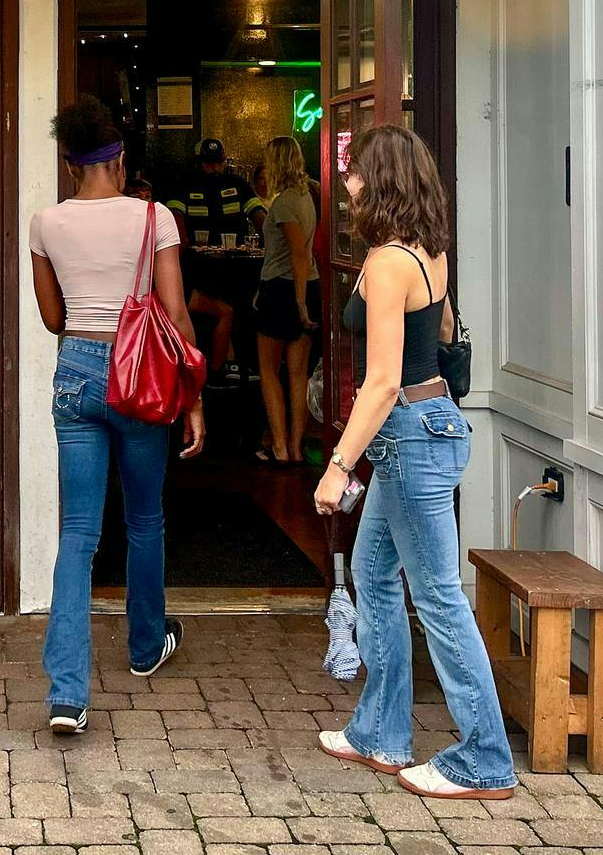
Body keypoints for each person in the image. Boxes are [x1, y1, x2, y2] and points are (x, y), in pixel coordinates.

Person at [313, 125, 515, 801]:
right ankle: (380, 731)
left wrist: (339, 464)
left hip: (407, 432)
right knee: (375, 573)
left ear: (384, 181)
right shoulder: (431, 251)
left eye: (357, 172)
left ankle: (486, 757)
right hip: (430, 424)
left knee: (437, 597)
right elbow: (448, 333)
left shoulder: (386, 261)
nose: (348, 185)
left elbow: (380, 381)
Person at [30, 97, 205, 736]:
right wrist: (194, 397)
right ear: (119, 157)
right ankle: (144, 646)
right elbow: (176, 313)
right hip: (142, 376)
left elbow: (54, 319)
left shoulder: (45, 223)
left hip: (76, 369)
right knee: (145, 518)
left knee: (78, 534)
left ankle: (67, 695)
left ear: (70, 161)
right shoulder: (155, 219)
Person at [166, 139, 264, 381]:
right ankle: (217, 368)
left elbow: (259, 216)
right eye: (208, 164)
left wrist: (272, 241)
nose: (212, 168)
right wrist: (183, 247)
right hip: (197, 268)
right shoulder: (184, 185)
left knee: (244, 305)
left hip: (236, 266)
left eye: (216, 163)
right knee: (217, 312)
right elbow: (176, 220)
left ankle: (238, 362)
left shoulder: (237, 184)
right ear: (198, 163)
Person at [253, 135, 319, 464]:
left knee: (268, 370)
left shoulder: (282, 204)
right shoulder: (308, 195)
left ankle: (279, 447)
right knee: (298, 374)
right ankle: (295, 447)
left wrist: (300, 303)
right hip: (306, 285)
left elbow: (295, 254)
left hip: (284, 291)